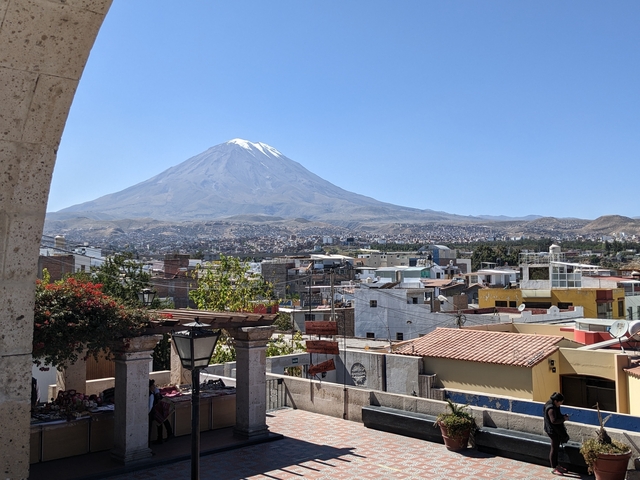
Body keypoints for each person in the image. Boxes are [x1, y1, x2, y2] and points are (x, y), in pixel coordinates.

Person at [544, 392, 570, 476]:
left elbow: (557, 416)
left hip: (555, 430)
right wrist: (563, 419)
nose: (561, 403)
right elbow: (554, 420)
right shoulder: (551, 408)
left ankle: (556, 465)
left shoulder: (554, 405)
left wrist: (562, 416)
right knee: (554, 449)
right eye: (560, 402)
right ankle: (553, 468)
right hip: (552, 431)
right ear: (556, 401)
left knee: (556, 448)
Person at [149, 379, 173, 445]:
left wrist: (158, 398)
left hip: (157, 405)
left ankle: (168, 434)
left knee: (161, 419)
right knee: (160, 421)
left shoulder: (152, 392)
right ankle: (161, 437)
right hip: (156, 405)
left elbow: (156, 391)